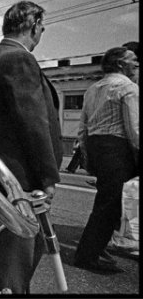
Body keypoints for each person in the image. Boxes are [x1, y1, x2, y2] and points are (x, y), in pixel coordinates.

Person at [0, 1, 63, 293]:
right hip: (21, 176)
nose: (42, 33)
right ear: (33, 25)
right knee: (18, 252)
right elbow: (33, 123)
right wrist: (47, 176)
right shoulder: (18, 59)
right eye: (42, 27)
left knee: (17, 247)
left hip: (9, 172)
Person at [73, 46, 138, 273]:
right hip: (118, 149)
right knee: (109, 206)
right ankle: (86, 256)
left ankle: (94, 250)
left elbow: (83, 128)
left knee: (107, 202)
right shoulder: (129, 88)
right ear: (121, 64)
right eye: (133, 61)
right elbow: (135, 129)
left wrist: (88, 156)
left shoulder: (93, 89)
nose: (136, 65)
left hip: (98, 147)